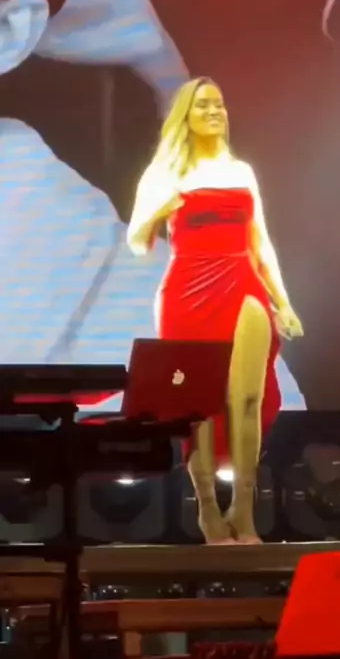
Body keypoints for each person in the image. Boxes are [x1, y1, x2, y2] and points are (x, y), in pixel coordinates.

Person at [124, 77, 304, 545]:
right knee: (198, 404)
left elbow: (261, 241)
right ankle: (207, 508)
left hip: (242, 281)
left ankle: (244, 510)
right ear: (185, 115)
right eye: (203, 105)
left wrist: (283, 301)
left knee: (247, 398)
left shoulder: (241, 171)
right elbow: (137, 240)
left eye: (219, 104)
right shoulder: (165, 173)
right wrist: (159, 208)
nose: (214, 112)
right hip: (187, 289)